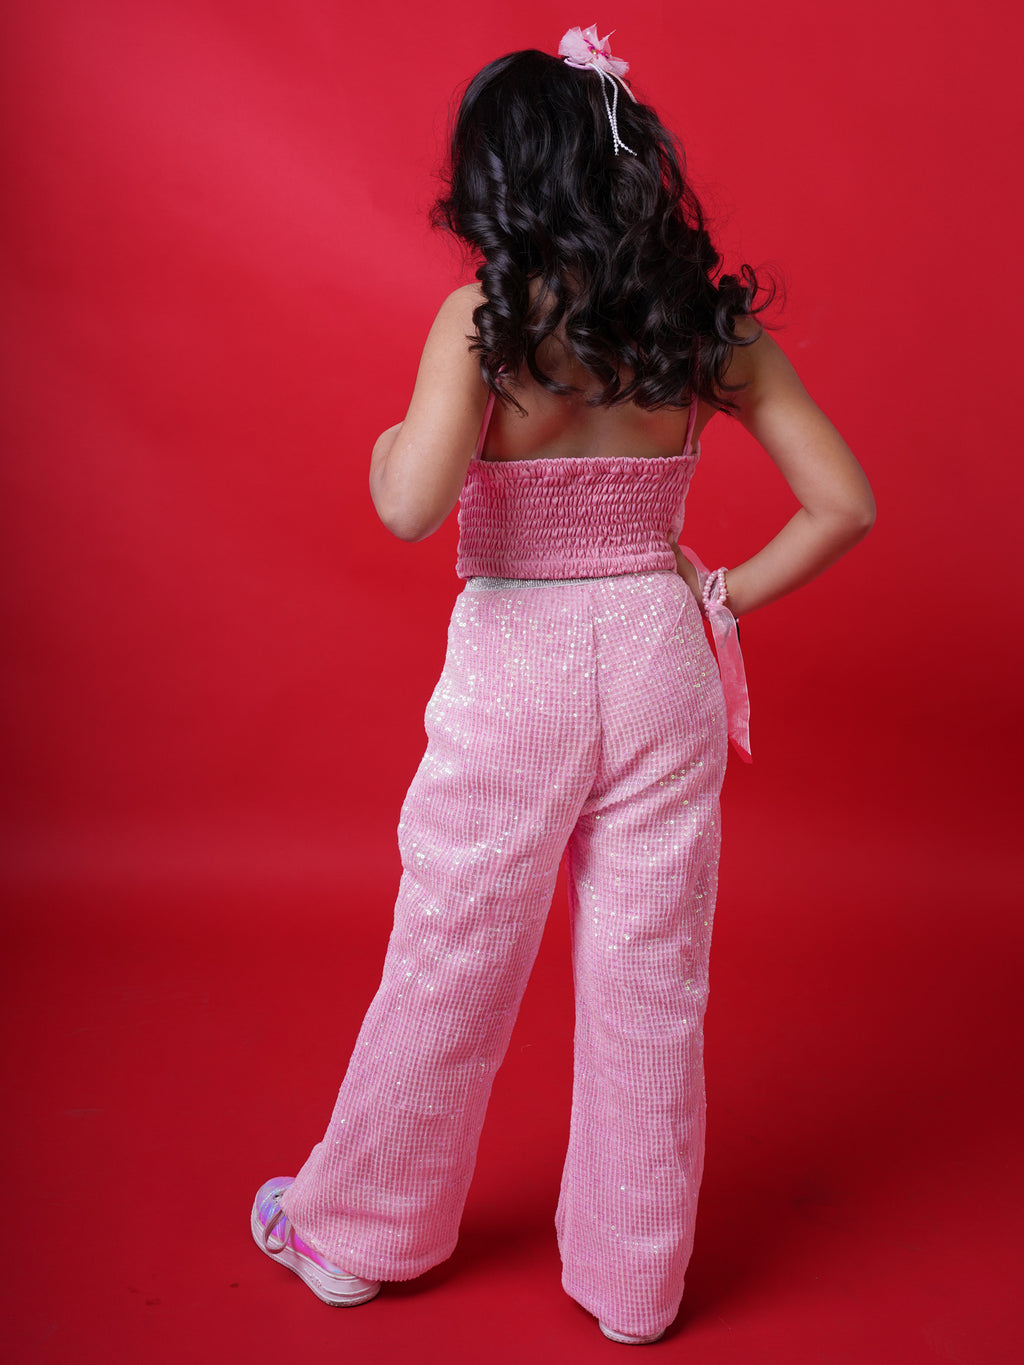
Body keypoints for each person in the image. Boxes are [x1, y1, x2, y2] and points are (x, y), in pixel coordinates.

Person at [250, 28, 876, 1346]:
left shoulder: (482, 320)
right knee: (655, 973)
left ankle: (362, 1232)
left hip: (518, 662)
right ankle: (636, 1282)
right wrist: (726, 596)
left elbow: (413, 504)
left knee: (453, 948)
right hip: (659, 651)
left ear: (505, 184)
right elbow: (844, 503)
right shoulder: (705, 323)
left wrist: (380, 446)